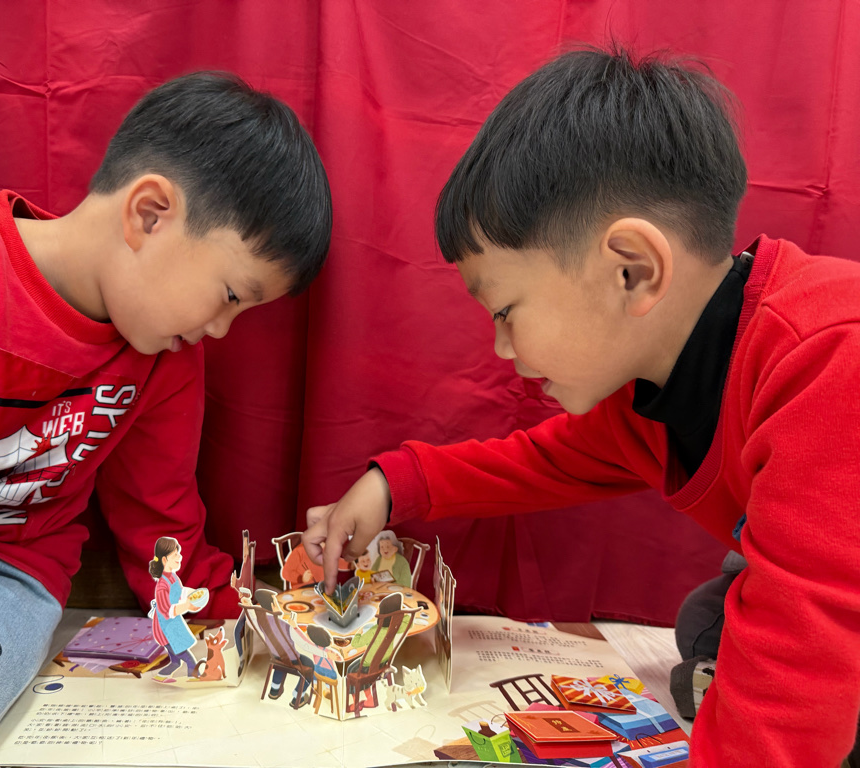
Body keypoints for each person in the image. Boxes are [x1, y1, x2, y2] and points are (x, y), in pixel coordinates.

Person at [303, 46, 860, 767]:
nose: (501, 348)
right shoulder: (644, 398)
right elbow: (538, 463)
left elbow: (793, 669)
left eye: (506, 311)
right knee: (711, 620)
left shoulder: (828, 356)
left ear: (632, 271)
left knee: (775, 649)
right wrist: (391, 484)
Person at [0, 72, 331, 768]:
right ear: (150, 214)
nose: (222, 330)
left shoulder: (166, 359)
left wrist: (258, 617)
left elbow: (162, 523)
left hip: (5, 574)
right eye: (229, 295)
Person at [148, 537, 205, 683]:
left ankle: (160, 677)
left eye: (178, 553)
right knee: (185, 655)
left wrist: (193, 595)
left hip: (174, 623)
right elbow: (165, 611)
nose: (180, 557)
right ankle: (194, 676)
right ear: (164, 560)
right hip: (165, 628)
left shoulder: (173, 577)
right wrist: (187, 606)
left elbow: (181, 592)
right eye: (175, 554)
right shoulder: (161, 586)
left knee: (176, 661)